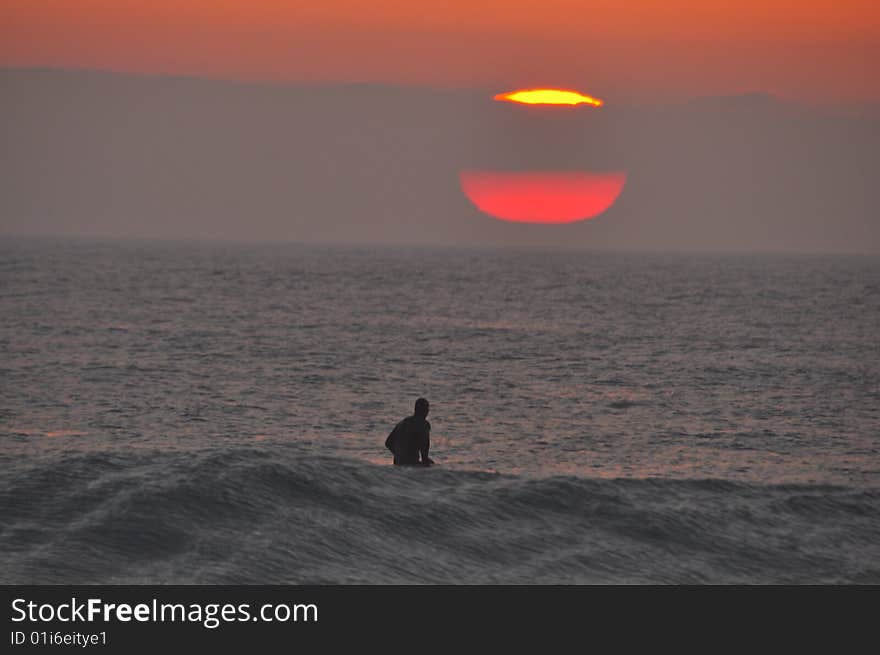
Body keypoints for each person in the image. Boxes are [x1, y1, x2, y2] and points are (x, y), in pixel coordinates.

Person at [385, 398, 433, 466]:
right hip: (412, 465)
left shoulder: (403, 423)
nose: (428, 411)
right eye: (427, 409)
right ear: (425, 411)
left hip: (398, 465)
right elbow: (425, 446)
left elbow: (388, 443)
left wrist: (399, 455)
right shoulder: (424, 424)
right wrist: (426, 461)